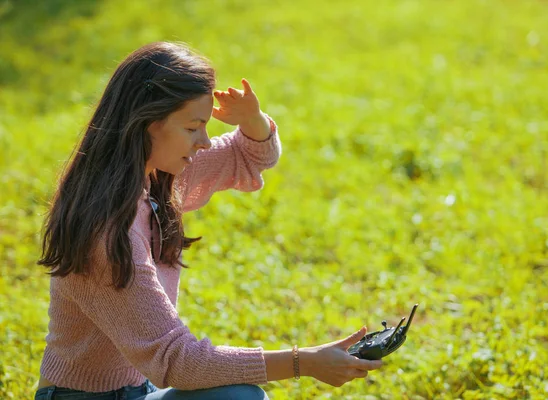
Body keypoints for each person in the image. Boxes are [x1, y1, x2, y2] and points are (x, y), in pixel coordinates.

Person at [34, 41, 383, 400]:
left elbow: (250, 155)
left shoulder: (153, 177)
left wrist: (251, 117)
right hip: (80, 397)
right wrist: (302, 361)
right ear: (148, 124)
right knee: (240, 397)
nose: (204, 141)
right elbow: (177, 361)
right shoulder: (106, 229)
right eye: (192, 127)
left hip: (140, 389)